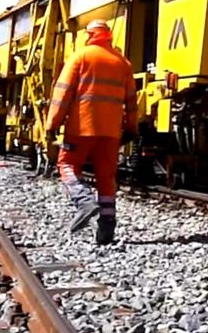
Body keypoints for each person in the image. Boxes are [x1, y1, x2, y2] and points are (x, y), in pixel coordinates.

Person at [44, 19, 138, 245]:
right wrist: (131, 128)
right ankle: (107, 227)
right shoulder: (122, 63)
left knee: (66, 164)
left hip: (81, 127)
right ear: (108, 36)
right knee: (106, 177)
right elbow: (132, 101)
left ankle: (83, 199)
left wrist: (51, 125)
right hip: (111, 132)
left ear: (90, 35)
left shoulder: (81, 56)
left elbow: (62, 93)